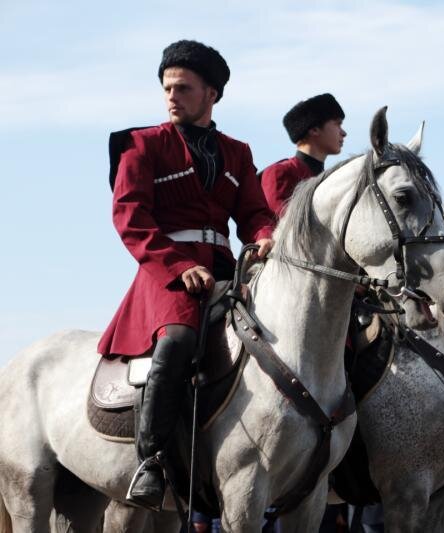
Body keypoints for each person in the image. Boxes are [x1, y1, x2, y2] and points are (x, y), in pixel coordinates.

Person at [98, 40, 275, 510]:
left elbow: (256, 212)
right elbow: (130, 218)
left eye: (182, 87)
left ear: (211, 94)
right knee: (178, 339)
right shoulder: (141, 146)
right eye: (166, 88)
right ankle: (151, 461)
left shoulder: (238, 152)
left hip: (226, 271)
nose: (171, 96)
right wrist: (178, 266)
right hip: (167, 275)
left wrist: (264, 236)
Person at [260, 93, 346, 217]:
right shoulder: (280, 173)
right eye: (338, 124)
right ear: (314, 129)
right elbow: (281, 227)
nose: (343, 133)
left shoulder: (333, 180)